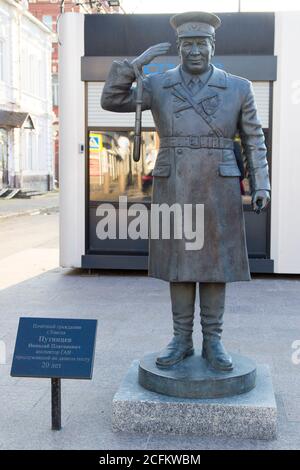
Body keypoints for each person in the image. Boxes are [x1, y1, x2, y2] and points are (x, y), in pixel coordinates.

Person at [101, 11, 271, 371]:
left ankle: (213, 341)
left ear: (213, 46)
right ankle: (181, 338)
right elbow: (111, 101)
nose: (195, 51)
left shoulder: (239, 87)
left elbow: (254, 140)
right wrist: (134, 66)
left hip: (219, 185)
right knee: (179, 265)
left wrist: (261, 184)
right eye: (188, 44)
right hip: (174, 182)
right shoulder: (158, 84)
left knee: (215, 264)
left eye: (201, 43)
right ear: (179, 48)